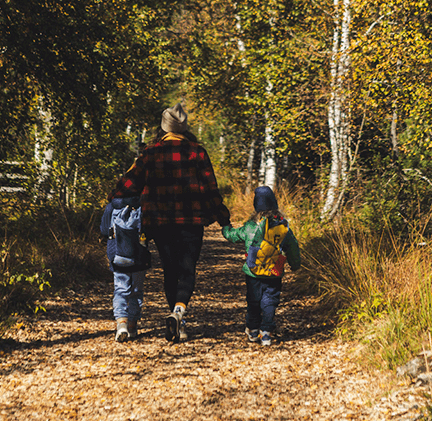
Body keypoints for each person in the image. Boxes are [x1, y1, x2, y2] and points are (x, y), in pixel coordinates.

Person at [111, 102, 232, 343]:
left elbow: (128, 183)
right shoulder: (197, 151)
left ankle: (179, 322)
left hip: (160, 221)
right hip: (191, 221)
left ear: (164, 127)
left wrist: (113, 197)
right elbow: (210, 188)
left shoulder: (150, 153)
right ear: (184, 127)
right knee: (187, 269)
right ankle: (179, 312)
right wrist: (222, 215)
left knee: (170, 269)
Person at [221, 185, 301, 347]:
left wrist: (225, 227)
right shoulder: (282, 227)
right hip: (274, 272)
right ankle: (266, 332)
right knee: (270, 301)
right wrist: (295, 264)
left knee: (253, 301)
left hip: (253, 273)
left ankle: (252, 330)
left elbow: (233, 236)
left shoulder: (250, 227)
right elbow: (292, 247)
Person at [100, 193, 149, 342]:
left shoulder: (112, 206)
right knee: (136, 291)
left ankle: (121, 324)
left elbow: (103, 229)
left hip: (117, 253)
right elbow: (150, 229)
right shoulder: (144, 205)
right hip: (140, 254)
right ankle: (133, 326)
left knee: (121, 289)